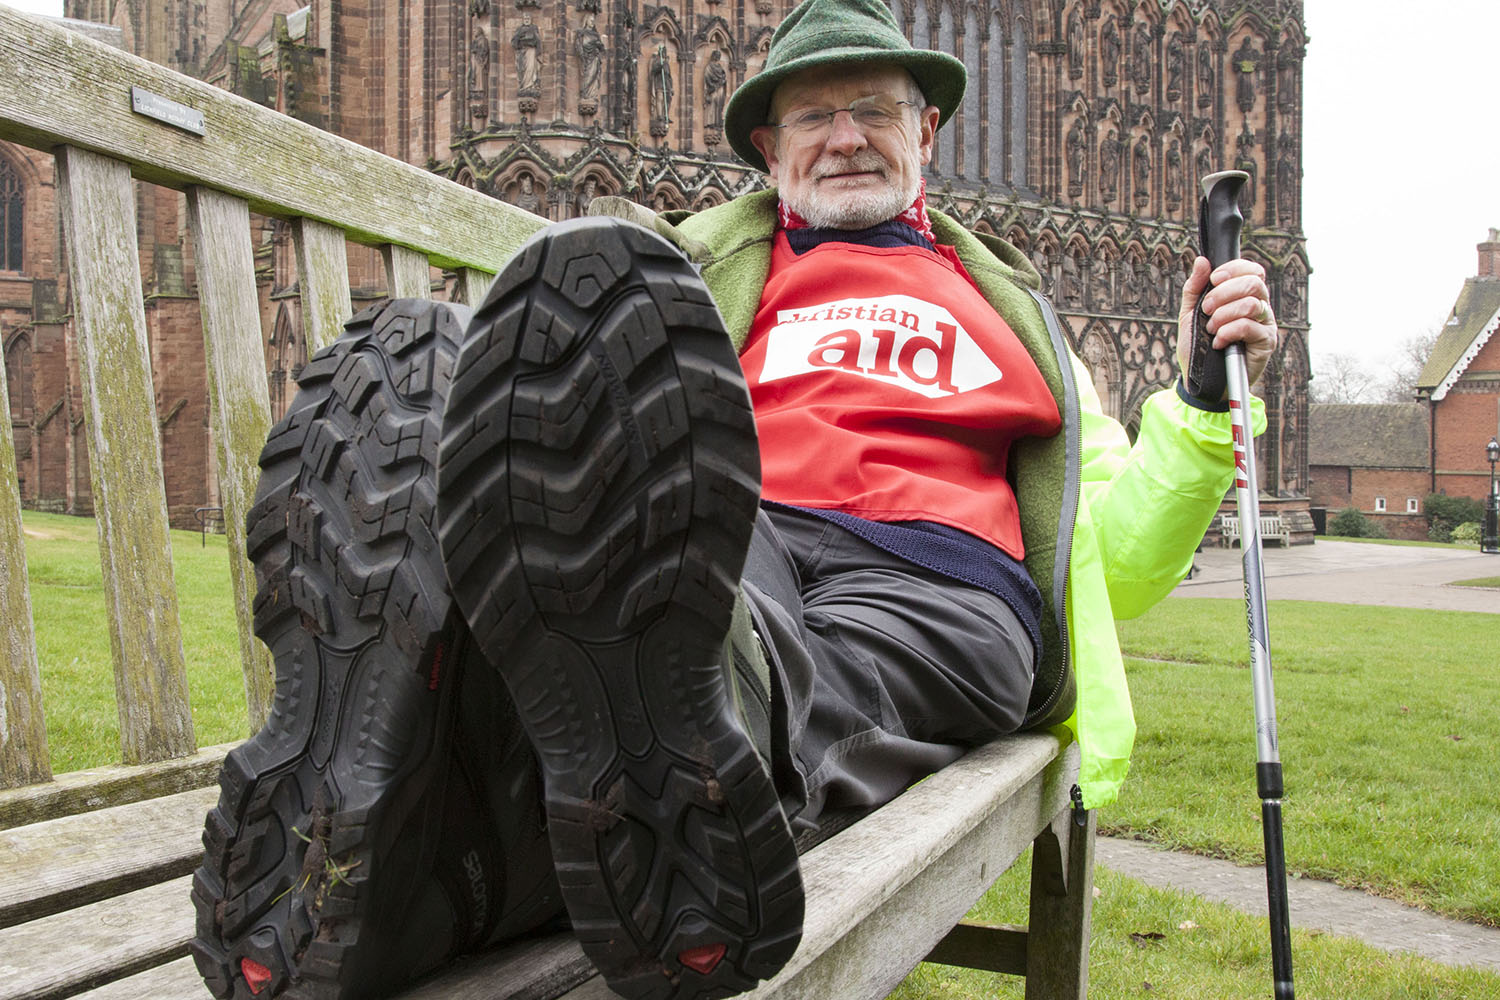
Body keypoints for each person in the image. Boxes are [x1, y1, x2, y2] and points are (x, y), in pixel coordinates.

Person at [191, 2, 1277, 999]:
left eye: (873, 111)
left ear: (927, 132)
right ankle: (440, 882)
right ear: (770, 147)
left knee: (749, 641)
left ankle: (641, 732)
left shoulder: (1012, 313)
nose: (845, 136)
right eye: (814, 115)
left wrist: (1195, 394)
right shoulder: (679, 281)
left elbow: (1126, 558)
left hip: (933, 583)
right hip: (737, 536)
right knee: (665, 546)